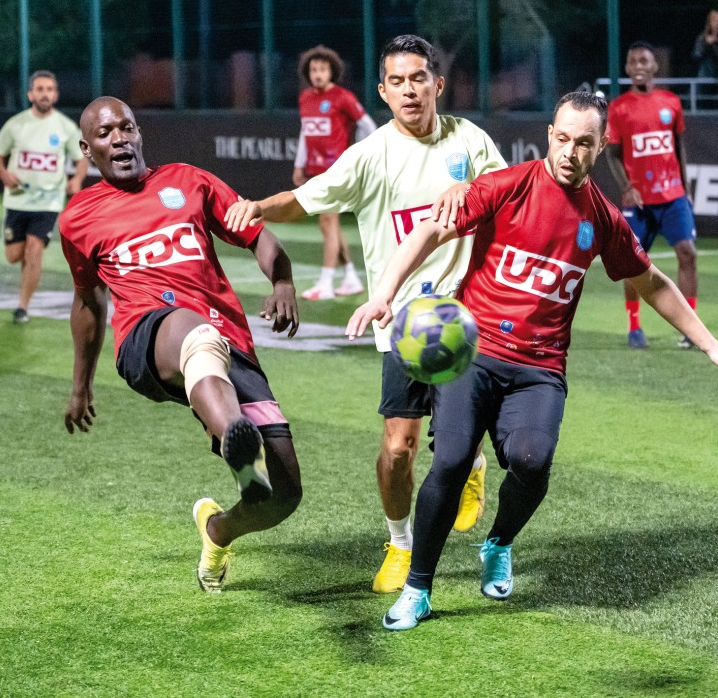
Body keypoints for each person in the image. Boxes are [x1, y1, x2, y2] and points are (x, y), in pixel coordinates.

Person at [347, 90, 718, 631]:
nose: (570, 151)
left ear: (602, 146)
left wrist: (713, 345)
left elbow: (653, 281)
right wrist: (385, 291)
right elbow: (432, 228)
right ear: (550, 134)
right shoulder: (507, 185)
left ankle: (498, 544)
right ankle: (418, 589)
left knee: (531, 460)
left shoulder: (604, 218)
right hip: (473, 354)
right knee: (450, 461)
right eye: (563, 138)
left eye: (584, 143)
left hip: (539, 369)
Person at [225, 34, 506, 594]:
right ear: (383, 91)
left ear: (437, 84)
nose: (409, 89)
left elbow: (507, 193)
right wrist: (258, 206)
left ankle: (471, 465)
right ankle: (399, 544)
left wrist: (475, 192)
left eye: (419, 78)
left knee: (457, 434)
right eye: (397, 81)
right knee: (398, 447)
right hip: (399, 320)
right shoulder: (370, 156)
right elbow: (306, 199)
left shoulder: (469, 140)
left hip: (463, 314)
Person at [59, 96, 302, 593]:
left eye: (127, 127)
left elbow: (255, 234)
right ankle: (235, 434)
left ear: (140, 133)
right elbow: (88, 302)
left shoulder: (188, 181)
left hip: (227, 343)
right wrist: (80, 384)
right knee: (196, 332)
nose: (120, 138)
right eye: (106, 134)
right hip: (147, 338)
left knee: (283, 496)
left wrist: (282, 281)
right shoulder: (78, 219)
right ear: (88, 149)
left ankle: (219, 528)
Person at [604, 41, 698, 350]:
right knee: (634, 264)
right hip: (639, 201)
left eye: (645, 60)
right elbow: (613, 155)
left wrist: (687, 188)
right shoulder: (618, 108)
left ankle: (691, 328)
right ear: (628, 69)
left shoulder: (670, 102)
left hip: (673, 196)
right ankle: (634, 327)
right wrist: (627, 187)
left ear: (654, 66)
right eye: (633, 62)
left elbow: (678, 147)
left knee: (688, 253)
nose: (639, 66)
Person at [0, 70, 89, 324]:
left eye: (49, 89)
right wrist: (3, 174)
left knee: (34, 250)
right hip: (17, 199)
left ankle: (22, 306)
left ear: (55, 95)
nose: (45, 94)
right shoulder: (16, 124)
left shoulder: (66, 127)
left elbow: (80, 161)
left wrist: (76, 180)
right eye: (40, 89)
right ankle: (28, 275)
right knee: (14, 255)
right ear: (30, 94)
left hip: (48, 202)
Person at [293, 45, 378, 300]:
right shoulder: (306, 97)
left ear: (332, 71)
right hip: (315, 171)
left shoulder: (343, 97)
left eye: (322, 69)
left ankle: (326, 284)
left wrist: (361, 156)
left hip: (337, 170)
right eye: (313, 70)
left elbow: (368, 126)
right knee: (329, 225)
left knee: (327, 222)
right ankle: (350, 277)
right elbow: (305, 133)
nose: (317, 74)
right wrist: (300, 164)